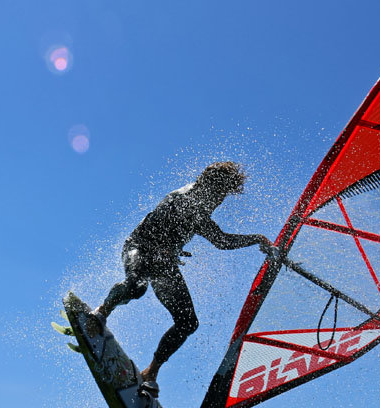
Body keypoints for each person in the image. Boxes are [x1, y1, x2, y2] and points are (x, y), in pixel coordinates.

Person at [93, 161, 272, 395]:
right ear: (207, 185)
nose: (219, 201)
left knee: (188, 322)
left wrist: (257, 239)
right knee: (136, 287)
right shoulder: (183, 198)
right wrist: (169, 248)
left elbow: (221, 241)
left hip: (163, 263)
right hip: (140, 248)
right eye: (219, 194)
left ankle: (150, 373)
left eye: (223, 197)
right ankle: (101, 313)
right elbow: (161, 229)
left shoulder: (200, 209)